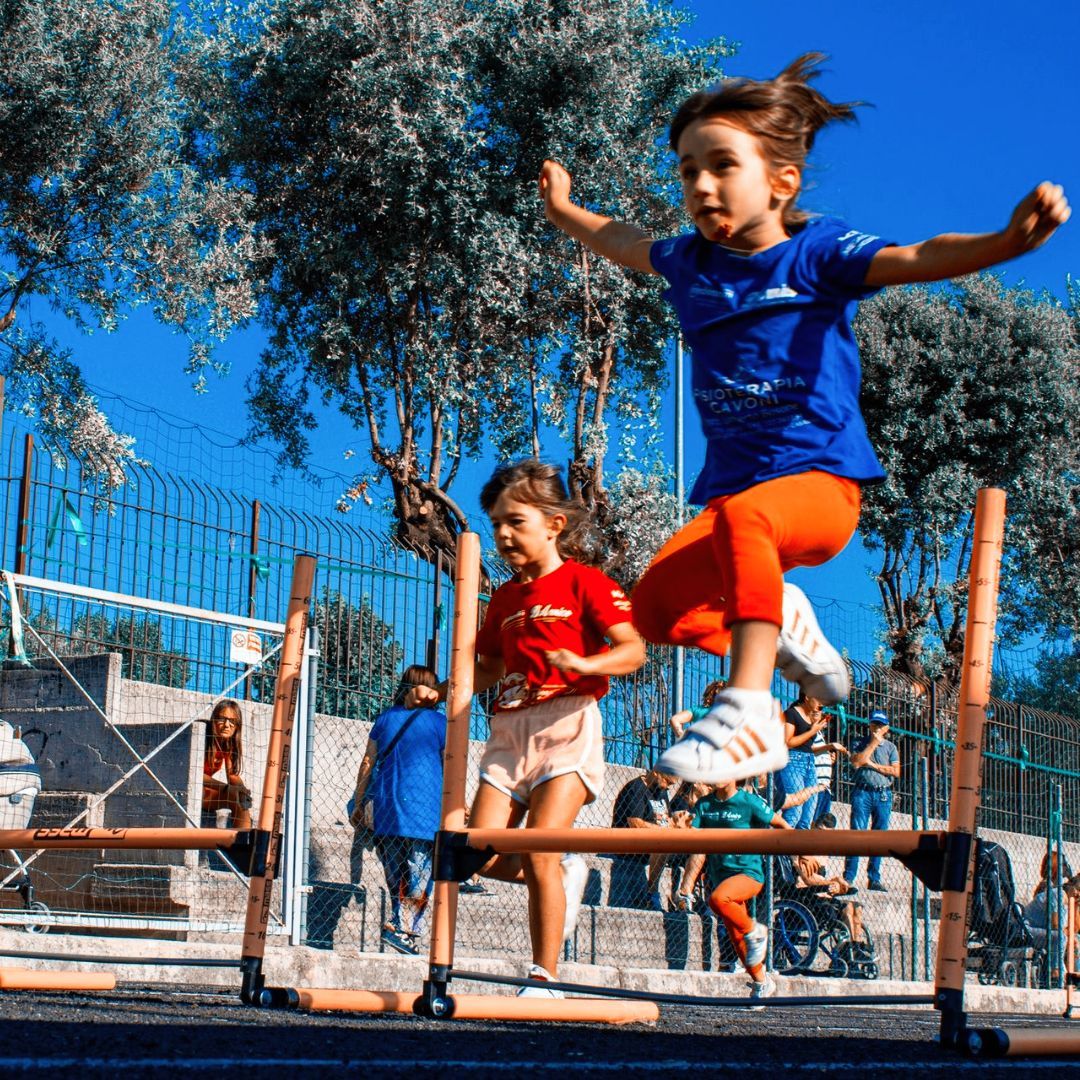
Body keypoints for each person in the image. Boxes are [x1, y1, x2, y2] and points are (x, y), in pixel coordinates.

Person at [538, 53, 1069, 788]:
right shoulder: (691, 264)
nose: (699, 184)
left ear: (781, 182)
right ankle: (784, 623)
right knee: (658, 607)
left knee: (746, 519)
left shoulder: (816, 254)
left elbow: (915, 254)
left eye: (721, 165)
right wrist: (565, 211)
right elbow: (621, 240)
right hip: (739, 507)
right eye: (687, 169)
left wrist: (1004, 243)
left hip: (820, 487)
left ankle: (750, 709)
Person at [407, 460, 645, 996]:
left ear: (554, 524)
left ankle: (545, 975)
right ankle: (562, 876)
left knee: (538, 846)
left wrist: (586, 664)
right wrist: (445, 688)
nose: (503, 534)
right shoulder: (507, 599)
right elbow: (489, 666)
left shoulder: (586, 582)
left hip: (567, 722)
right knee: (474, 851)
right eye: (495, 524)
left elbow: (633, 651)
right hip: (508, 731)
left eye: (515, 521)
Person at [350, 664, 446, 955]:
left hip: (388, 804)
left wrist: (358, 799)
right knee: (421, 868)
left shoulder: (385, 719)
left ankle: (398, 923)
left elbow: (368, 761)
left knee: (395, 869)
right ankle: (406, 929)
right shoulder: (442, 724)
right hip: (427, 808)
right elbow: (450, 763)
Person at [690, 778, 791, 1004]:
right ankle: (761, 982)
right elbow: (691, 833)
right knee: (736, 938)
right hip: (720, 876)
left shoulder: (749, 802)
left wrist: (801, 852)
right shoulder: (704, 805)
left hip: (749, 874)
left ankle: (754, 930)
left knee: (717, 900)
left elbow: (782, 824)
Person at [843, 710, 900, 891]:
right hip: (862, 792)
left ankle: (874, 878)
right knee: (856, 835)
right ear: (869, 725)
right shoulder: (859, 742)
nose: (877, 728)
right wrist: (873, 744)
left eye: (881, 725)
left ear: (887, 728)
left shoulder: (891, 747)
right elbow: (857, 762)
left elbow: (896, 771)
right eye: (874, 724)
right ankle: (849, 877)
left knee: (880, 836)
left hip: (883, 794)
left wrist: (873, 765)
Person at [609, 768, 682, 909]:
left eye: (671, 785)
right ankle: (652, 894)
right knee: (664, 842)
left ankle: (685, 896)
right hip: (630, 843)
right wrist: (664, 832)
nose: (667, 787)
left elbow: (667, 820)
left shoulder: (661, 791)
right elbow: (635, 823)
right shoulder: (636, 788)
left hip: (655, 840)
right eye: (667, 782)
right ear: (656, 772)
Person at [791, 812, 864, 942]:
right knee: (845, 909)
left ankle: (855, 947)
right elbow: (807, 879)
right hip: (806, 896)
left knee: (855, 908)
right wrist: (830, 884)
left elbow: (821, 879)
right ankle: (848, 948)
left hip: (821, 893)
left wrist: (839, 884)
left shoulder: (822, 851)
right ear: (812, 825)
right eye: (818, 830)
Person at [776, 693, 829, 829]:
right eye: (818, 699)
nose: (821, 704)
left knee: (808, 813)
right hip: (793, 761)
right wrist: (812, 731)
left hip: (809, 762)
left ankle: (796, 849)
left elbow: (808, 746)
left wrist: (816, 724)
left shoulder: (812, 716)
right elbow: (788, 742)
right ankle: (779, 847)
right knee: (794, 811)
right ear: (807, 697)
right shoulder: (791, 713)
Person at [202, 698, 252, 830]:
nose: (227, 725)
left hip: (206, 792)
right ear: (214, 720)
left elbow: (232, 775)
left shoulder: (228, 743)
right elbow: (195, 775)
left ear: (237, 726)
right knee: (232, 795)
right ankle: (241, 840)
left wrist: (242, 789)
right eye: (222, 719)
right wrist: (225, 788)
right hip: (190, 789)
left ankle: (243, 841)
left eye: (232, 721)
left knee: (239, 799)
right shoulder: (202, 736)